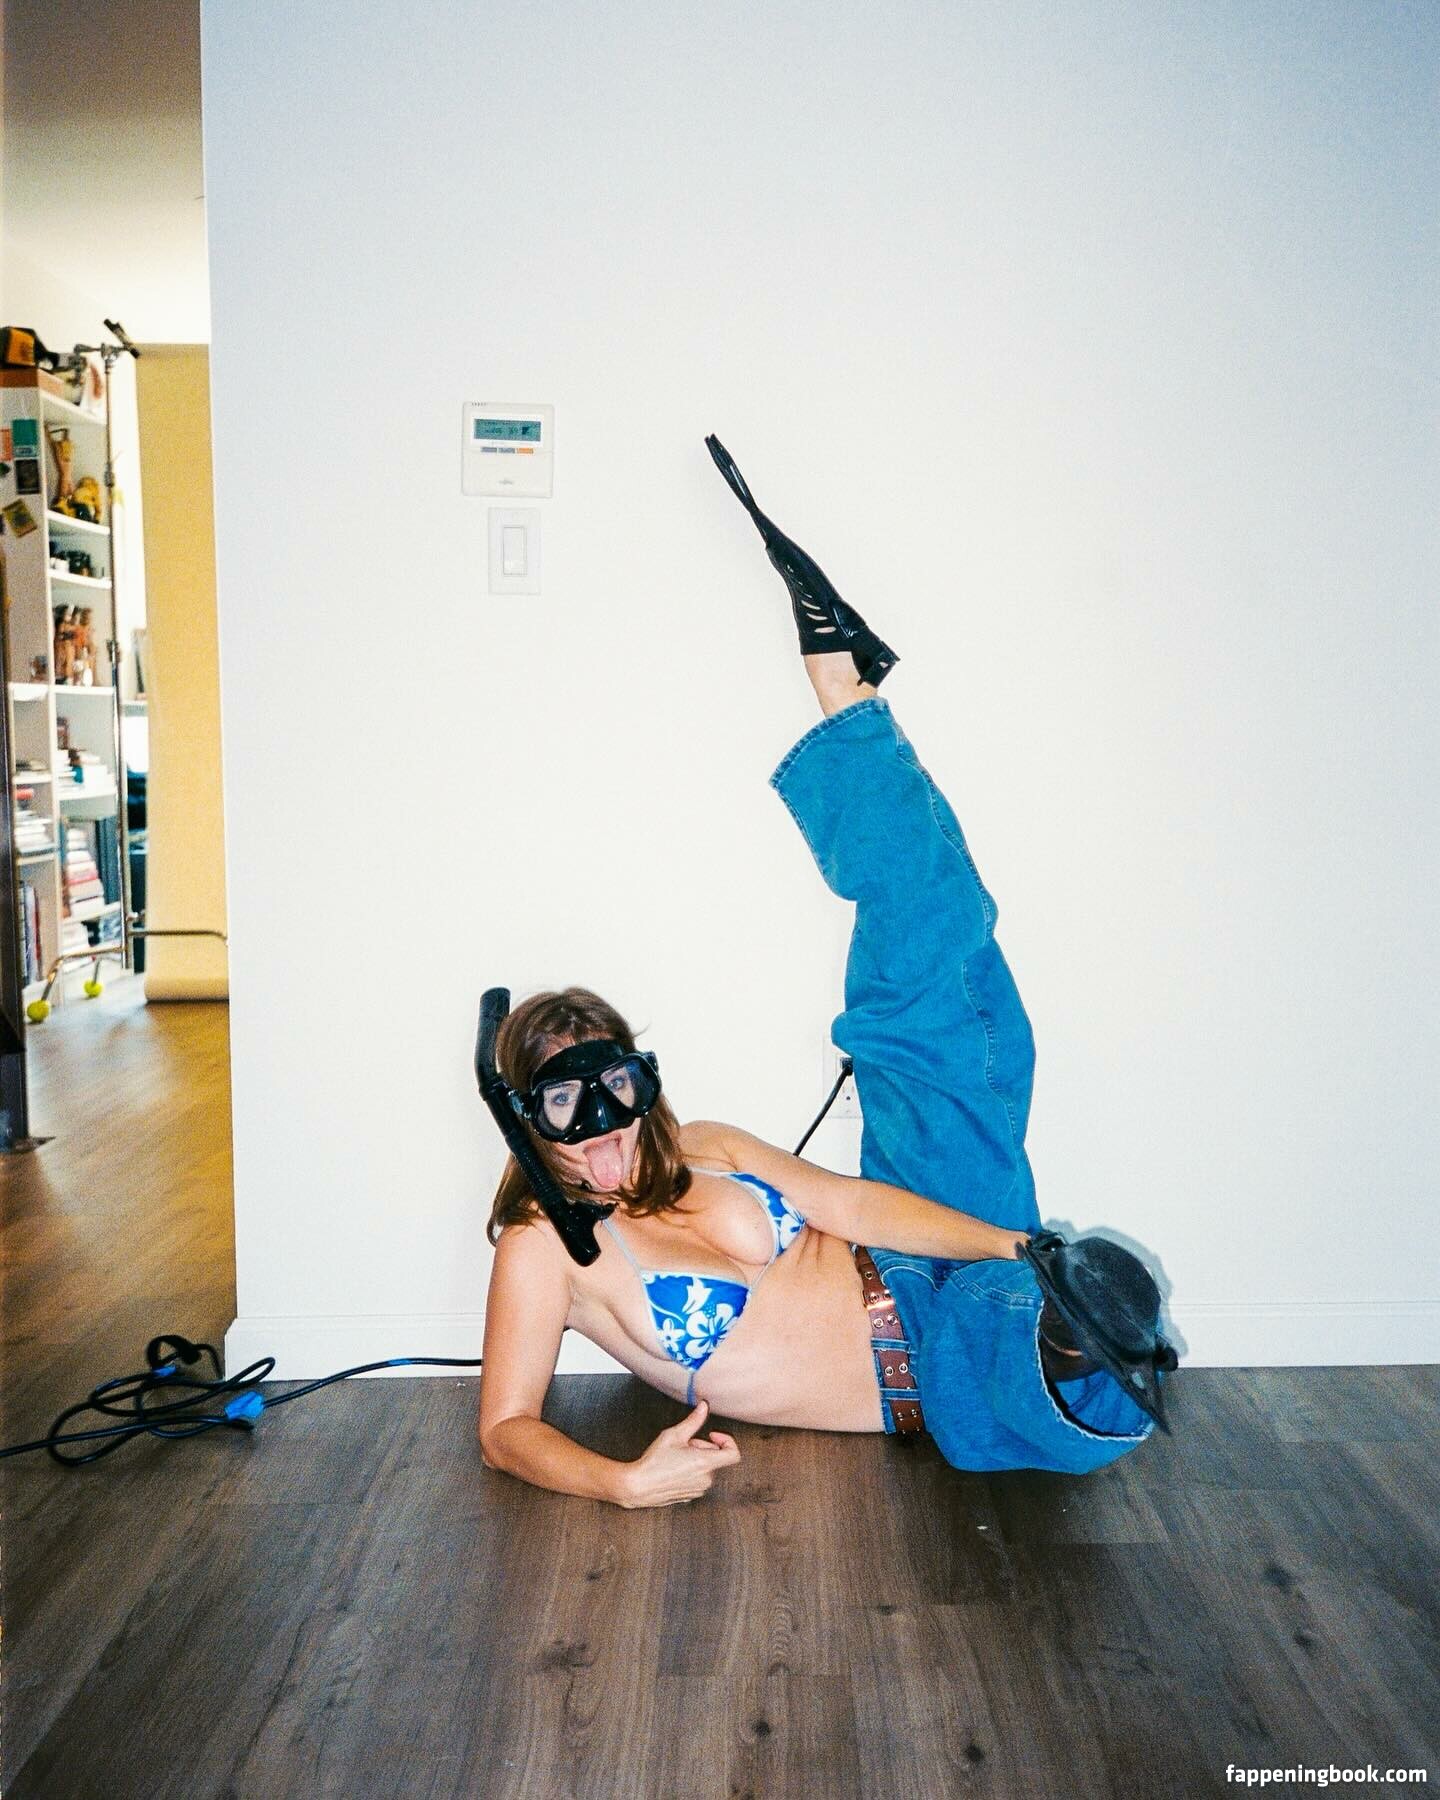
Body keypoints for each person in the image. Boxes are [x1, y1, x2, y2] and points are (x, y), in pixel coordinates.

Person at [477, 440, 1175, 1507]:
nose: (603, 1120)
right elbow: (506, 1430)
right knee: (1031, 1345)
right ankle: (1072, 1337)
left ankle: (843, 695)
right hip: (938, 1371)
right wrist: (622, 1482)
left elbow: (849, 1202)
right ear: (526, 1120)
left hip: (929, 1232)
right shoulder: (546, 1249)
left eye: (614, 1084)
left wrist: (1011, 1241)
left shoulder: (704, 1146)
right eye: (567, 1104)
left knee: (928, 977)